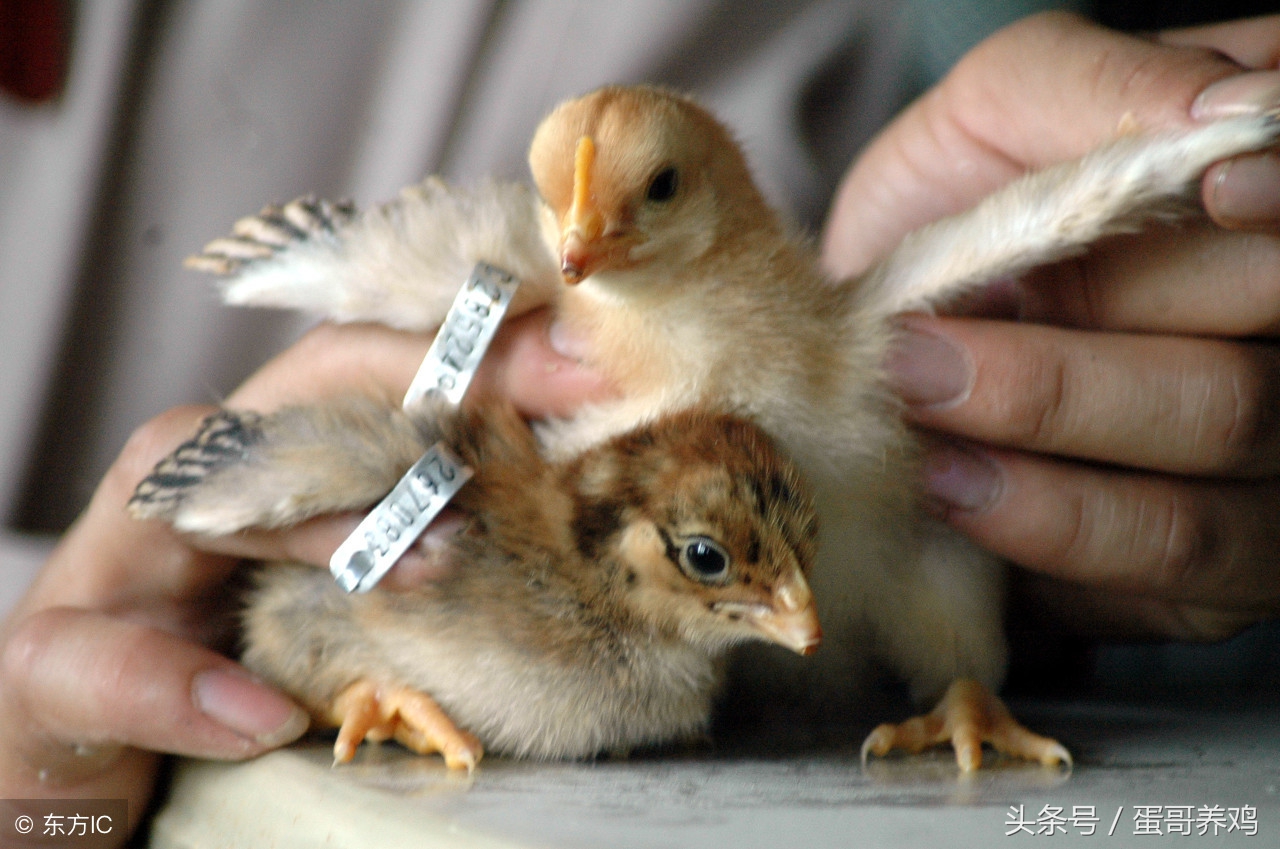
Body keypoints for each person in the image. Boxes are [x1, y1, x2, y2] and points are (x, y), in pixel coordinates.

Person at [1, 5, 1277, 843]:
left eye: (640, 200)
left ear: (708, 190)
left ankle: (963, 689)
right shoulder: (529, 330)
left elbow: (1065, 200)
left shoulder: (827, 324)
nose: (582, 245)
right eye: (565, 216)